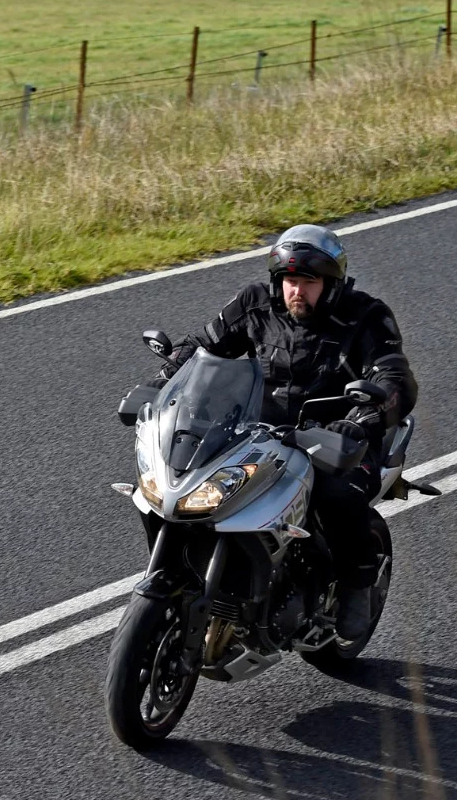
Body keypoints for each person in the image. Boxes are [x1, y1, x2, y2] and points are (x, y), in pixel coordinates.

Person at [159, 224, 418, 637]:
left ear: (331, 284)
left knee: (337, 497)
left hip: (336, 441)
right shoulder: (254, 303)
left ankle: (357, 586)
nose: (297, 291)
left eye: (308, 282)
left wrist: (362, 419)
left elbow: (395, 378)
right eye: (290, 281)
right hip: (258, 434)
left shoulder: (366, 316)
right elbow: (206, 346)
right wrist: (167, 374)